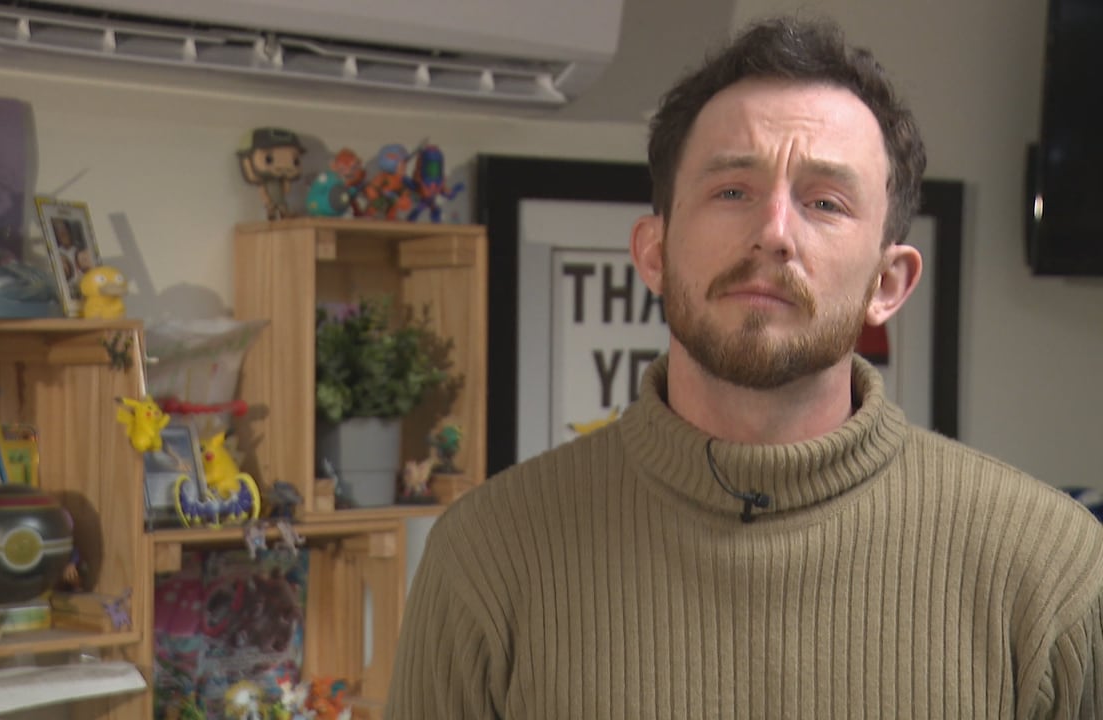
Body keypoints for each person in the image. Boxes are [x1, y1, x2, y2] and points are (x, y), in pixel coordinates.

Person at [386, 15, 1103, 719]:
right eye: (733, 191)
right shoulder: (487, 557)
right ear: (653, 253)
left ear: (888, 285)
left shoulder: (1050, 571)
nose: (774, 233)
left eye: (825, 201)